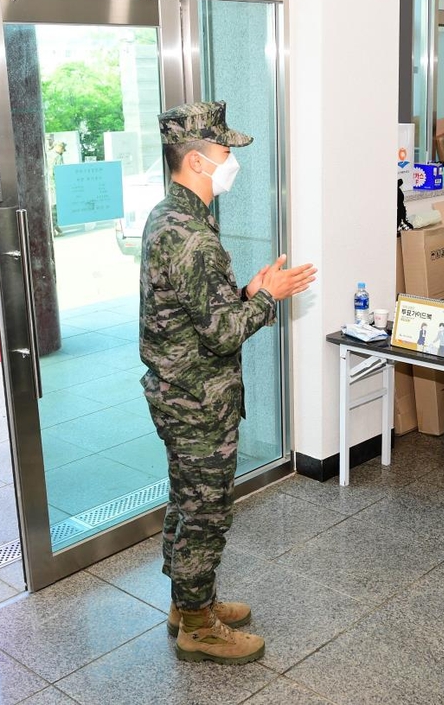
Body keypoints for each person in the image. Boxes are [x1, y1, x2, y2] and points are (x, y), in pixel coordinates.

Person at [140, 101, 315, 665]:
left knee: (186, 500)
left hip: (181, 390)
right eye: (223, 152)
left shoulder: (172, 216)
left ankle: (189, 601)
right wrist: (268, 298)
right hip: (195, 399)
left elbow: (199, 311)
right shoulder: (191, 235)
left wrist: (245, 293)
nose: (231, 159)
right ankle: (197, 626)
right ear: (195, 160)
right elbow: (220, 335)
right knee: (205, 509)